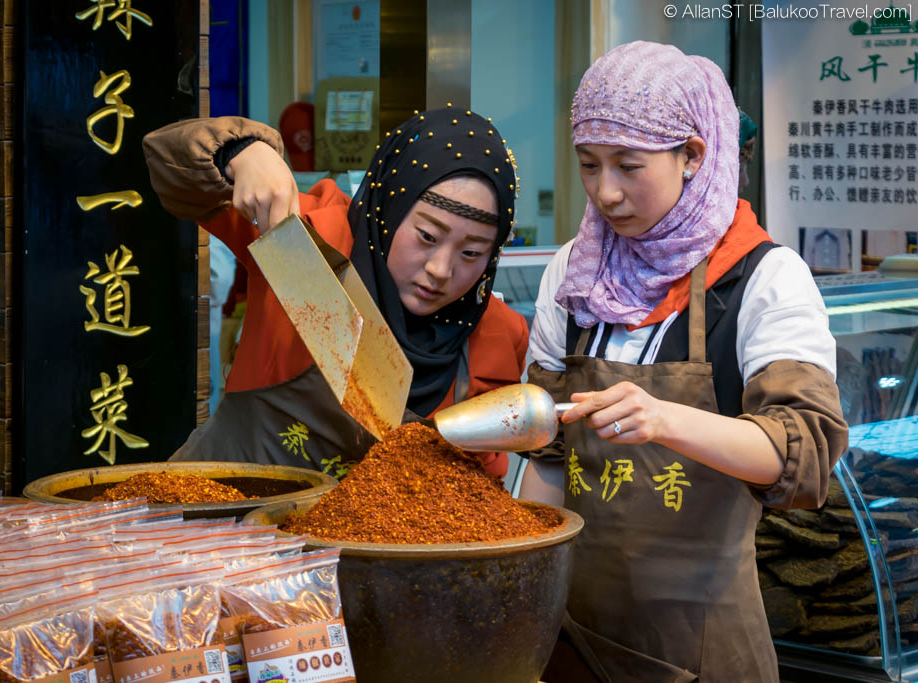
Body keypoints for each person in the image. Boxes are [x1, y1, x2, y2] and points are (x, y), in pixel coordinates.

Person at [518, 42, 849, 682]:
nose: (606, 192)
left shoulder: (764, 277)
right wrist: (526, 591)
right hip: (574, 636)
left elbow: (802, 457)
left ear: (693, 155)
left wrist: (666, 420)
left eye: (629, 166)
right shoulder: (577, 271)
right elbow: (549, 457)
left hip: (701, 644)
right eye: (589, 165)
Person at [142, 107, 527, 479]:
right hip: (233, 531)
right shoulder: (309, 244)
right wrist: (239, 153)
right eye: (427, 236)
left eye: (472, 253)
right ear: (390, 208)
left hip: (378, 546)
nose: (440, 270)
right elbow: (165, 158)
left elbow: (479, 494)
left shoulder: (496, 337)